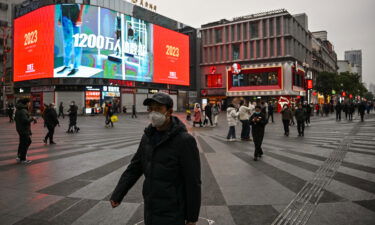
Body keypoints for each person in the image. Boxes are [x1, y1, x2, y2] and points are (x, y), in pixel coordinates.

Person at [110, 92, 201, 225]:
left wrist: (192, 218)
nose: (153, 113)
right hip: (150, 206)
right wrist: (119, 193)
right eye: (151, 109)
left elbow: (193, 182)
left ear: (169, 111)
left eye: (158, 109)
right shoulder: (147, 137)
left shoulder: (184, 141)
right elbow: (135, 167)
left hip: (173, 210)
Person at [57, 4, 84, 76]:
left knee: (77, 43)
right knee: (67, 43)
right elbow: (61, 5)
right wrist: (60, 18)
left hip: (75, 15)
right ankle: (67, 65)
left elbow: (83, 3)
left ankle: (76, 67)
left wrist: (80, 17)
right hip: (64, 17)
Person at [14, 98, 37, 164]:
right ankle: (23, 159)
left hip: (21, 129)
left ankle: (19, 156)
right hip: (24, 130)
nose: (30, 104)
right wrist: (32, 118)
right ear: (26, 103)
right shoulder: (23, 110)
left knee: (23, 143)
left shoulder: (19, 109)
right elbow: (25, 120)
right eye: (29, 102)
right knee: (25, 143)